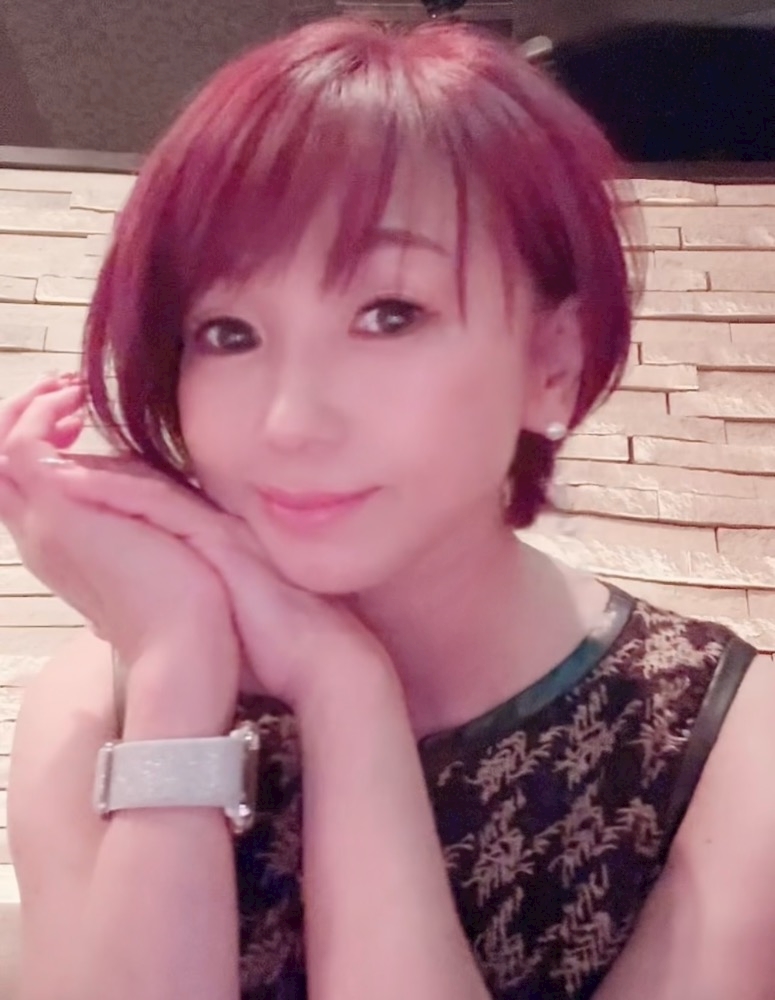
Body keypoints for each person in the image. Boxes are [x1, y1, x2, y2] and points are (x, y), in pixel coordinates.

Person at [2, 16, 775, 1000]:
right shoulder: (98, 709)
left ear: (553, 361)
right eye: (228, 332)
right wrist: (179, 674)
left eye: (389, 314)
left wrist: (344, 690)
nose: (289, 420)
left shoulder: (727, 754)